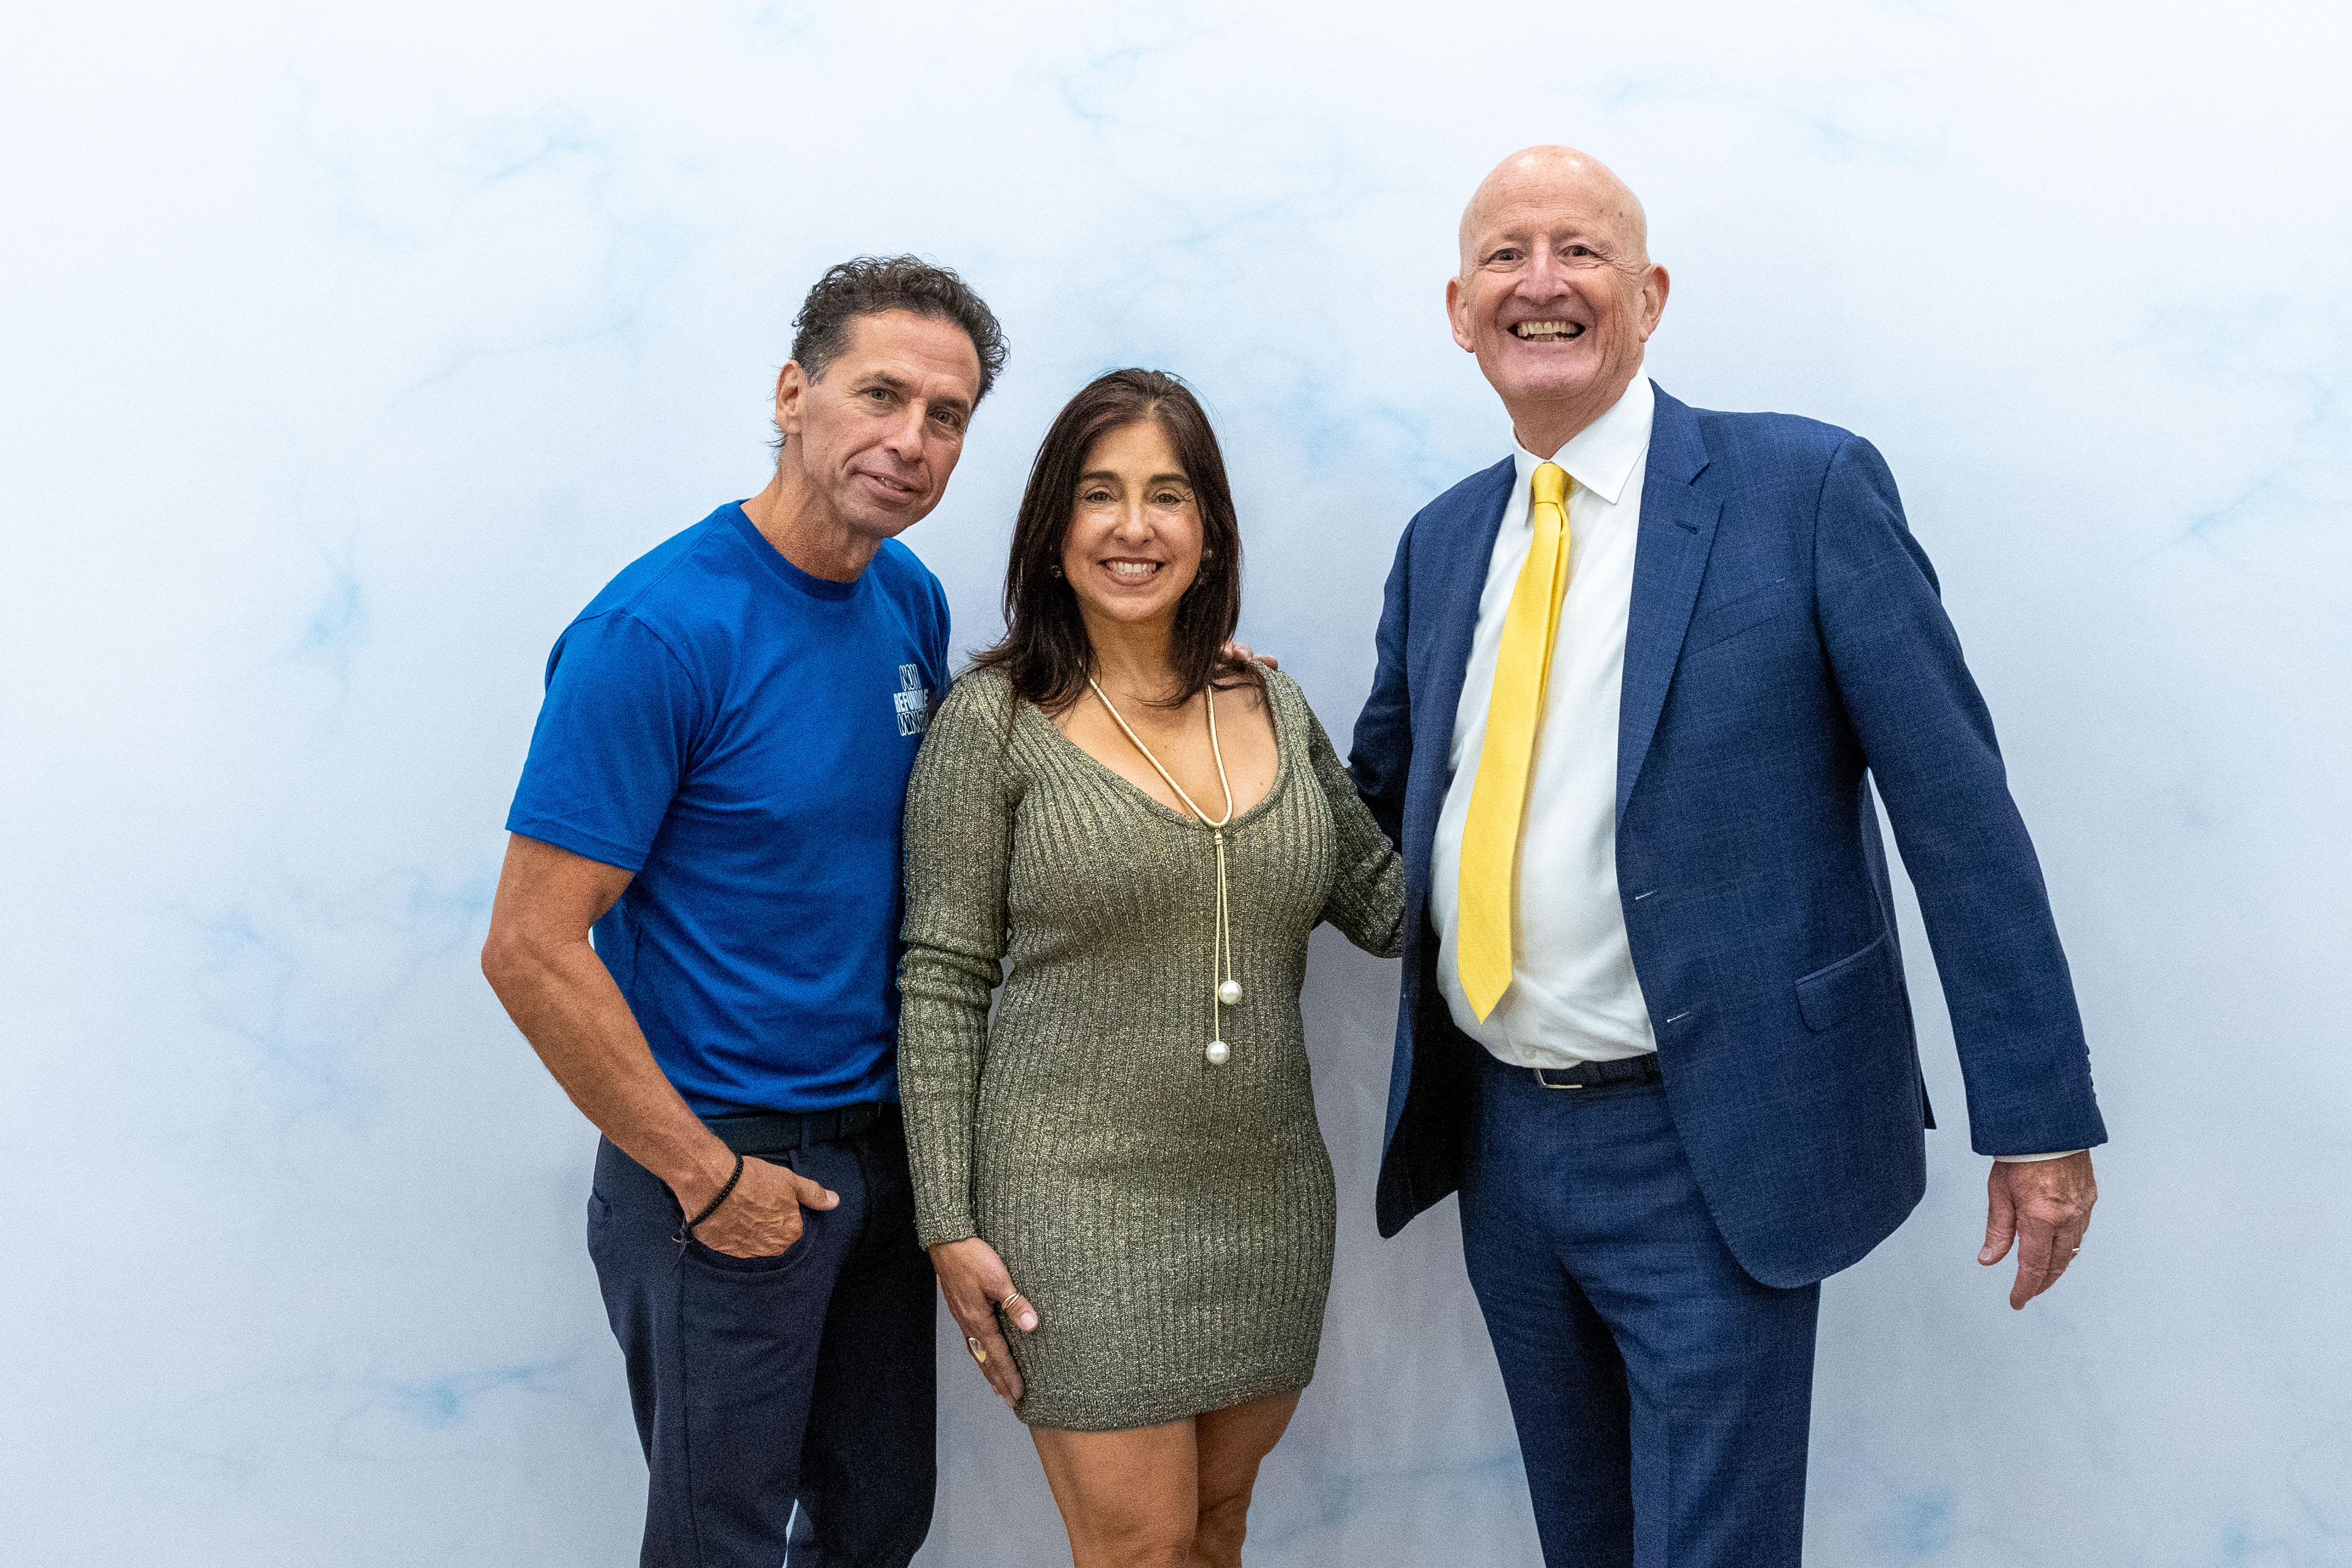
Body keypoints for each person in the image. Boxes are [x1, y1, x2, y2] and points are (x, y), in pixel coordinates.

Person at [1346, 146, 2107, 1567]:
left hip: (1707, 1142)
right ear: (1458, 310)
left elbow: (1955, 810)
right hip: (1504, 1147)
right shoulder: (1441, 543)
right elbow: (1372, 816)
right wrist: (1186, 718)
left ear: (1648, 296)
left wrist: (2035, 1114)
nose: (1540, 282)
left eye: (1580, 249)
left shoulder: (1801, 489)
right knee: (1582, 1542)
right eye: (1505, 254)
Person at [479, 255, 1005, 1567]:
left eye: (945, 416)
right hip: (721, 1168)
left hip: (880, 1155)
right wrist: (707, 1180)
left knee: (877, 1524)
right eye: (880, 394)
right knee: (717, 1545)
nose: (911, 439)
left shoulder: (906, 596)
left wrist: (1186, 682)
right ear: (791, 394)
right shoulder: (656, 634)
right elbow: (530, 946)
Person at [896, 369, 1405, 1568]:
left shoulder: (1270, 700)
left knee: (1216, 1531)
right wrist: (946, 1222)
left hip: (1266, 1199)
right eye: (1100, 494)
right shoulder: (992, 721)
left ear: (1209, 529)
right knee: (1137, 1551)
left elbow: (1388, 910)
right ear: (1052, 530)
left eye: (1167, 495)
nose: (1134, 526)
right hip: (1074, 1203)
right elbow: (940, 979)